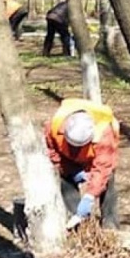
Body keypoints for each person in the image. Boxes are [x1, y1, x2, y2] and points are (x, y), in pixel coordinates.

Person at [44, 98, 121, 230]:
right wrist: (67, 169)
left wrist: (89, 197)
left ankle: (110, 223)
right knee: (64, 179)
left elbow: (102, 168)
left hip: (96, 156)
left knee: (107, 179)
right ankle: (77, 222)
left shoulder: (104, 135)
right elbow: (52, 151)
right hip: (66, 157)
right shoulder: (53, 127)